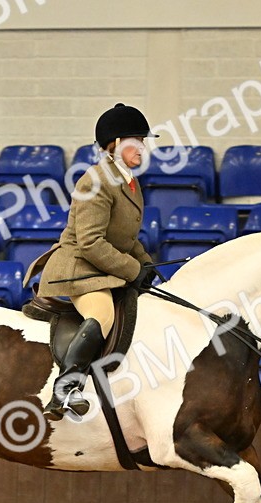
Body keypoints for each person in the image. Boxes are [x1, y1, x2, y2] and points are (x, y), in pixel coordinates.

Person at [29, 103, 157, 420]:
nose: (143, 148)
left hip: (103, 268)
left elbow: (125, 239)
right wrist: (131, 270)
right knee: (102, 314)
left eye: (143, 141)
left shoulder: (129, 181)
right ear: (113, 145)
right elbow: (90, 242)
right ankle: (66, 389)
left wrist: (149, 266)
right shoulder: (94, 181)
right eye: (135, 141)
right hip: (81, 269)